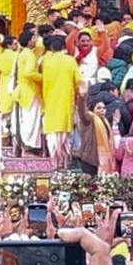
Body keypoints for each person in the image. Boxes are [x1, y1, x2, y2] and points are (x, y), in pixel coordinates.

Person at [38, 33, 85, 167]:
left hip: (49, 102)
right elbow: (78, 81)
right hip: (66, 102)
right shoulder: (70, 61)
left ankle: (54, 162)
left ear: (51, 48)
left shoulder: (45, 61)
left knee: (52, 135)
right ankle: (64, 163)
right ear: (64, 47)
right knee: (66, 133)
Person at [13, 28, 45, 154]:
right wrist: (45, 78)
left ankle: (24, 146)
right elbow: (29, 73)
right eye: (35, 37)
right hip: (29, 90)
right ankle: (28, 148)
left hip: (23, 90)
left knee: (25, 119)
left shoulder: (22, 53)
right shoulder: (30, 55)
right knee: (31, 120)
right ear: (31, 40)